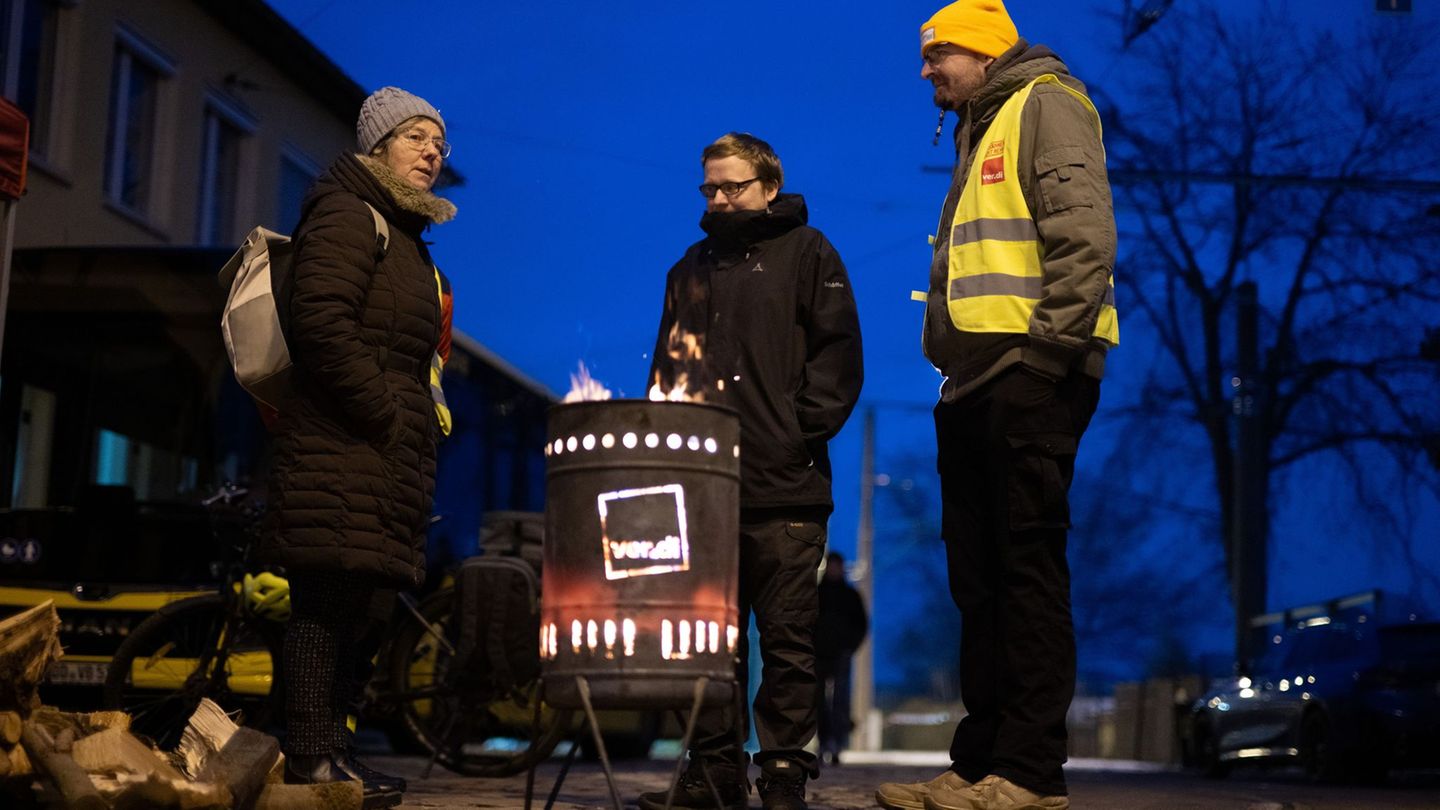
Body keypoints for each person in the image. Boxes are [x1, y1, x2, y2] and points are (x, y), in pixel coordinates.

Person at [875, 2, 1118, 810]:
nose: (925, 71)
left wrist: (1046, 359)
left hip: (1029, 372)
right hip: (976, 380)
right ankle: (981, 762)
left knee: (1025, 574)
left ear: (982, 51)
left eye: (937, 54)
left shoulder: (1046, 103)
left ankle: (1031, 771)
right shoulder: (985, 121)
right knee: (979, 585)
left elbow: (1085, 237)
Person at [639, 133, 864, 810]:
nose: (719, 198)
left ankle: (786, 776)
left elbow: (839, 356)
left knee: (790, 643)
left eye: (733, 185)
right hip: (703, 491)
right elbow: (666, 375)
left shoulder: (808, 252)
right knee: (706, 643)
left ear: (769, 186)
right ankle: (713, 774)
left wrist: (797, 433)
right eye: (709, 187)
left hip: (786, 484)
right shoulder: (689, 269)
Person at [259, 86, 456, 808]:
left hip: (380, 455)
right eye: (416, 138)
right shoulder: (349, 213)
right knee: (324, 606)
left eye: (439, 143)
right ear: (377, 145)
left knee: (365, 610)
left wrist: (407, 425)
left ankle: (335, 755)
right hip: (340, 447)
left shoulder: (403, 234)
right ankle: (309, 759)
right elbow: (321, 325)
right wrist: (384, 412)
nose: (433, 152)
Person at [815, 551, 868, 765]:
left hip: (840, 655)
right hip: (818, 654)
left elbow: (861, 625)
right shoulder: (817, 594)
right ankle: (824, 743)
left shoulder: (850, 596)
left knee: (839, 703)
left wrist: (850, 647)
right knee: (819, 703)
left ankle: (836, 744)